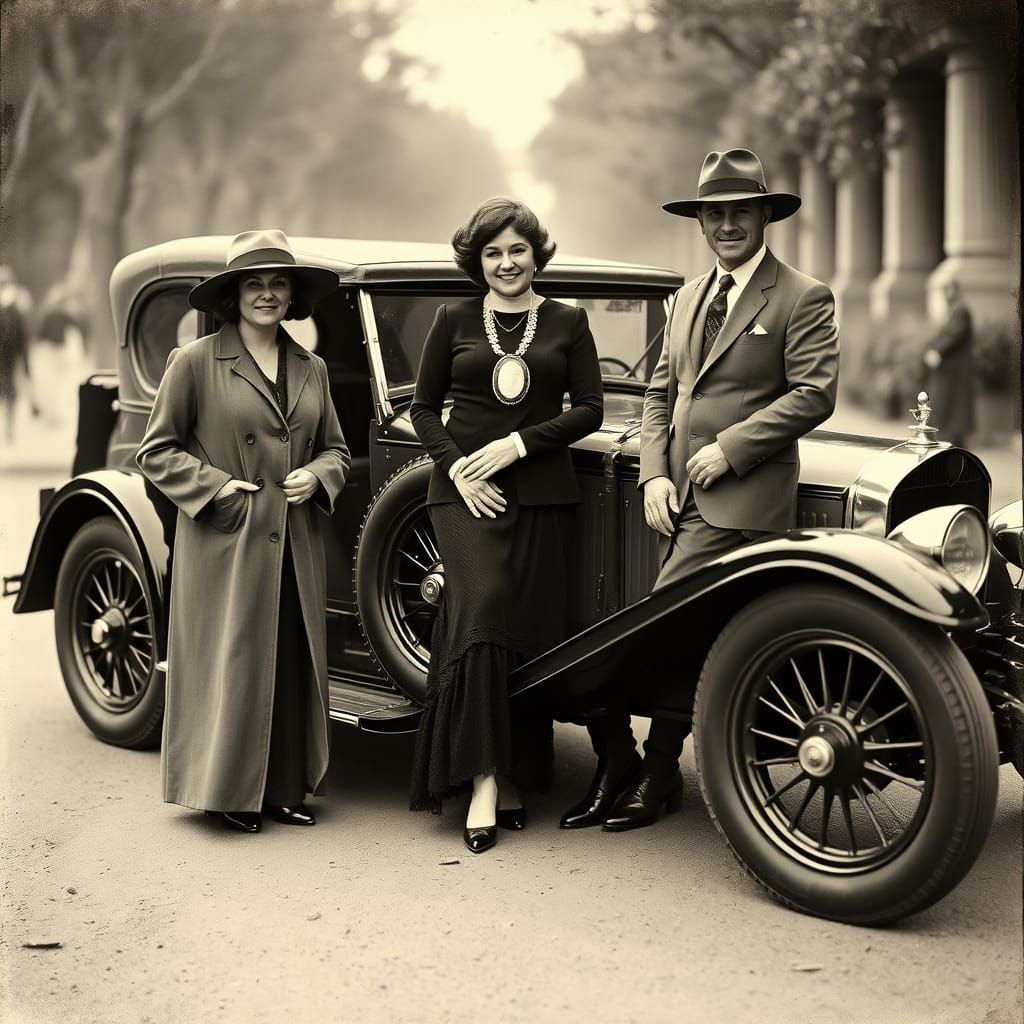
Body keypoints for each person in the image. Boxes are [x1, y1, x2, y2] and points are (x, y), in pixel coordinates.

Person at [561, 148, 840, 832]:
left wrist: (731, 448)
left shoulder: (803, 295)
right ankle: (637, 765)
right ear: (701, 221)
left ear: (764, 216)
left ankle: (646, 768)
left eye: (740, 212)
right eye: (714, 214)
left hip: (743, 501)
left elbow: (815, 393)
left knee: (657, 631)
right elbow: (660, 394)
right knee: (665, 632)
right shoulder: (686, 296)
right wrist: (655, 471)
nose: (726, 226)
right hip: (676, 499)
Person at [137, 229, 350, 833]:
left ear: (292, 294)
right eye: (253, 283)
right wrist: (217, 489)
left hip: (294, 537)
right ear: (233, 295)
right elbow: (156, 453)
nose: (266, 294)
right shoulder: (195, 362)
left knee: (288, 660)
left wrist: (317, 473)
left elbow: (335, 449)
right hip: (228, 538)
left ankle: (284, 790)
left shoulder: (312, 369)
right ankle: (227, 791)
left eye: (277, 283)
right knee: (232, 662)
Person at [409, 198, 603, 853]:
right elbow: (424, 410)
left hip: (540, 494)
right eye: (493, 252)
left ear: (535, 253)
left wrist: (519, 446)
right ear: (478, 259)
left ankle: (514, 772)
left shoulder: (569, 321)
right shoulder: (452, 318)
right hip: (462, 496)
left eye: (517, 249)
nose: (506, 262)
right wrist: (461, 468)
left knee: (523, 631)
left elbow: (591, 411)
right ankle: (483, 780)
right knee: (484, 609)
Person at [923, 278, 974, 447]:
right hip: (949, 368)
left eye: (949, 290)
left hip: (955, 369)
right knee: (947, 405)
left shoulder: (961, 310)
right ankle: (950, 440)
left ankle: (953, 442)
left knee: (952, 405)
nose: (946, 294)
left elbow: (954, 334)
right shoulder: (954, 310)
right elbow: (945, 334)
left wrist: (937, 351)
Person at [0, 265, 34, 442]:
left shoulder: (14, 308)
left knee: (10, 394)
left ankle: (8, 429)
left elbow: (21, 337)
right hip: (9, 358)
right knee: (9, 394)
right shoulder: (14, 308)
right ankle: (8, 430)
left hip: (8, 359)